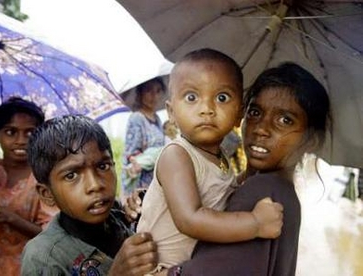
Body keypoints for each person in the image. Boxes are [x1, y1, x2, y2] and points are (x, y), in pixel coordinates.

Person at [168, 62, 331, 275]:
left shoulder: (262, 191)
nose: (262, 128)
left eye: (284, 120)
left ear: (311, 141)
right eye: (255, 112)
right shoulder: (285, 195)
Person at [136, 48, 283, 271]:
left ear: (238, 114)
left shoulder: (219, 156)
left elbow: (221, 190)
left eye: (222, 98)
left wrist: (251, 172)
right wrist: (255, 224)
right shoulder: (177, 155)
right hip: (157, 269)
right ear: (171, 112)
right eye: (191, 97)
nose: (207, 109)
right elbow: (190, 219)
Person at [21, 115, 158, 275]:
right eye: (71, 175)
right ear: (47, 193)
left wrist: (149, 202)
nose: (95, 185)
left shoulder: (120, 219)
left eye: (103, 166)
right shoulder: (43, 258)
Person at [0, 97, 58, 275]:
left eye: (30, 133)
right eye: (10, 132)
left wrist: (9, 218)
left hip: (25, 269)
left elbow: (53, 236)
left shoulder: (44, 179)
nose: (20, 141)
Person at [121, 77, 166, 201]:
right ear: (140, 93)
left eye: (158, 91)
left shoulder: (157, 119)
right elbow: (130, 153)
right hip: (141, 182)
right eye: (149, 91)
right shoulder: (137, 118)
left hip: (155, 180)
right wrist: (145, 159)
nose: (154, 96)